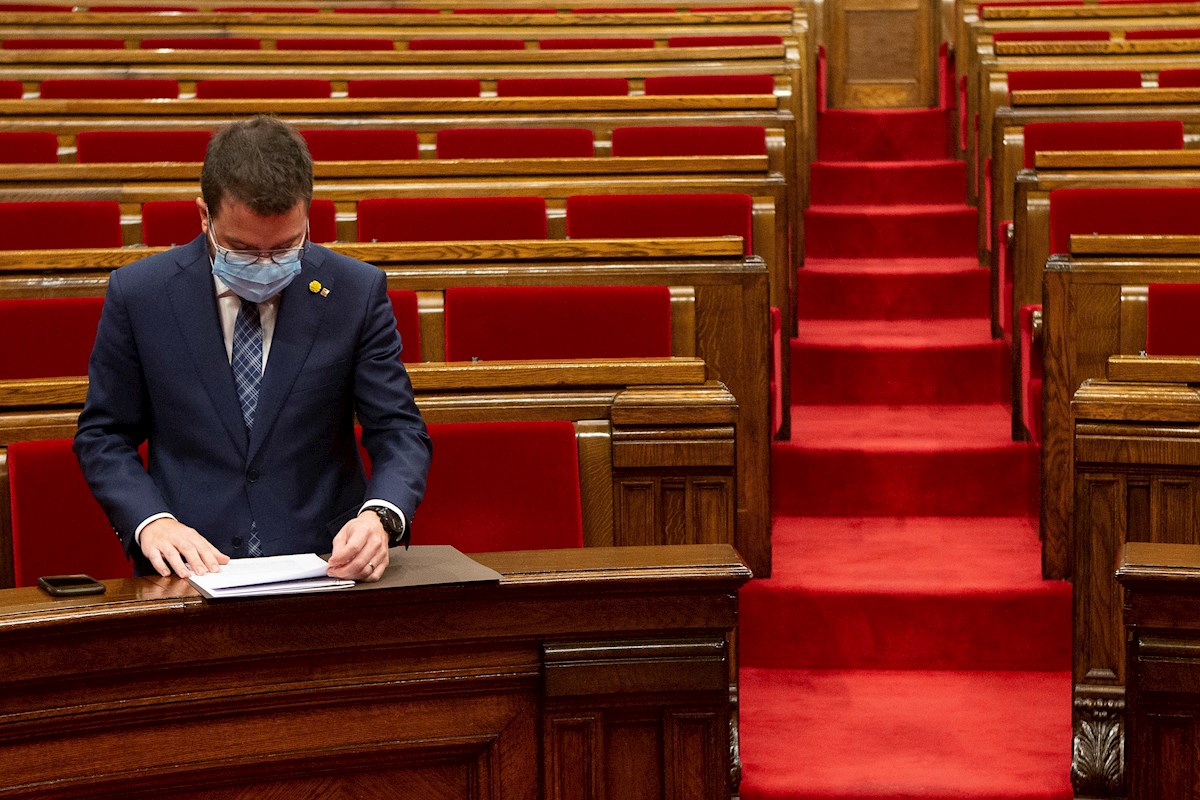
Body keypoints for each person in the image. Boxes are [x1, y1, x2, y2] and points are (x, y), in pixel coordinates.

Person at [74, 115, 432, 583]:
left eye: (286, 248)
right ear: (204, 216)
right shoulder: (141, 295)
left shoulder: (354, 292)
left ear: (307, 213)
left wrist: (379, 517)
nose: (265, 265)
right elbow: (104, 435)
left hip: (324, 566)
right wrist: (151, 522)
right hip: (188, 568)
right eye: (243, 249)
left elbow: (399, 429)